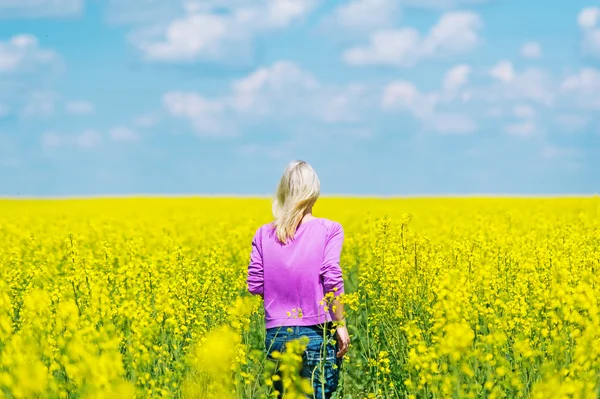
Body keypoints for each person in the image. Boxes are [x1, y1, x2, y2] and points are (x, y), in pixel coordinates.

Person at [247, 160, 351, 399]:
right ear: (313, 191)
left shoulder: (263, 234)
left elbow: (255, 284)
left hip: (277, 333)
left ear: (284, 190)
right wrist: (340, 324)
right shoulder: (330, 229)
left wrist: (281, 291)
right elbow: (331, 276)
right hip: (317, 331)